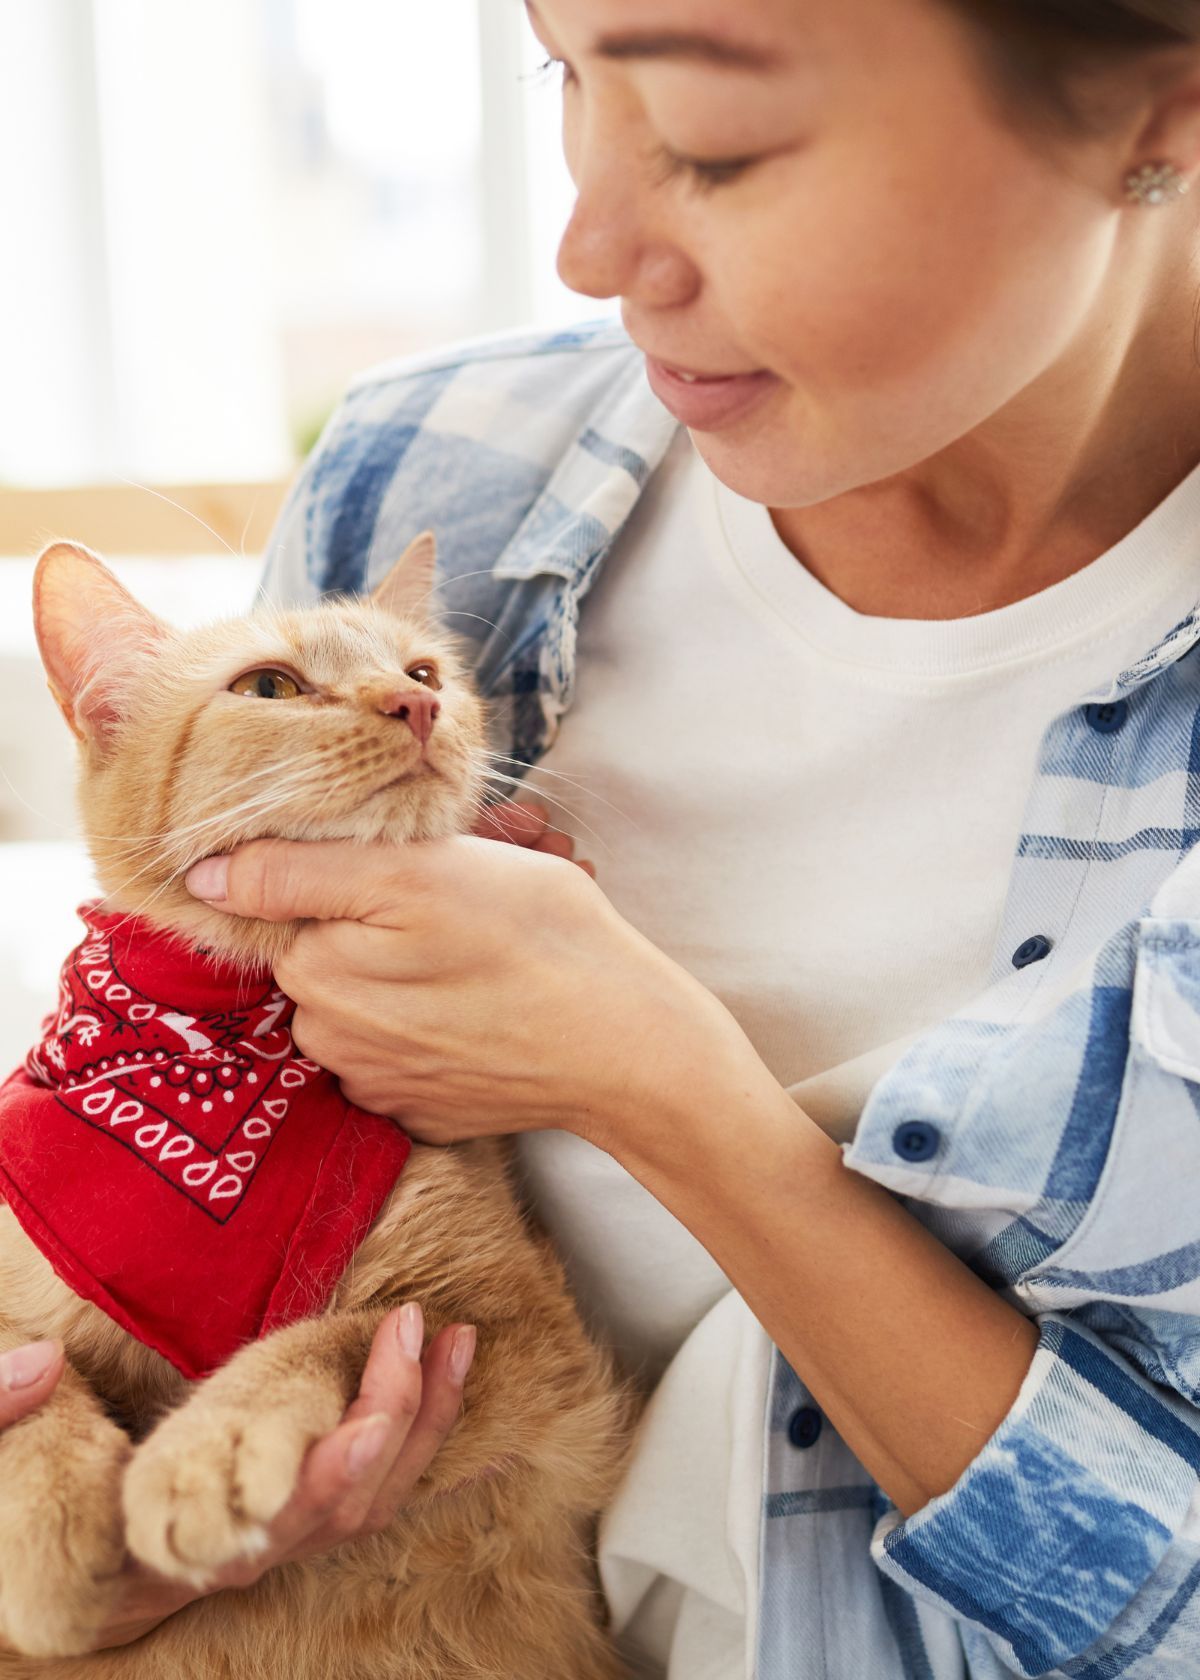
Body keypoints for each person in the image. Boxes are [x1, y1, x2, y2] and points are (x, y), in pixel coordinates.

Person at [9, 0, 1200, 1672]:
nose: (585, 249)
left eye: (719, 143)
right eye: (565, 75)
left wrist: (666, 1091)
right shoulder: (428, 469)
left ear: (1164, 112)